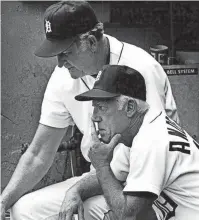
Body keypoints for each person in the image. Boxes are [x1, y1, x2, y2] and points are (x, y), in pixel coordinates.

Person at [1, 1, 180, 220]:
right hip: (102, 176)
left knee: (81, 214)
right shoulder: (64, 77)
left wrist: (77, 189)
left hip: (150, 186)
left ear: (91, 42)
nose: (59, 63)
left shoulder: (139, 69)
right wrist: (3, 201)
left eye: (65, 52)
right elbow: (39, 153)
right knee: (23, 210)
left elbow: (140, 161)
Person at [75, 64, 199, 220]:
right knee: (93, 206)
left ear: (130, 107)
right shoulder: (144, 127)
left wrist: (101, 166)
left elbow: (128, 215)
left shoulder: (151, 141)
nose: (95, 117)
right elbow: (114, 177)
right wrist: (75, 192)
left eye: (101, 107)